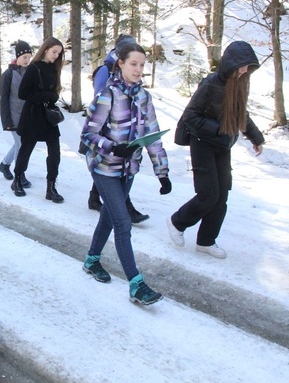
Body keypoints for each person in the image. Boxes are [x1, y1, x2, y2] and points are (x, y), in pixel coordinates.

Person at [80, 43, 170, 305]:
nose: (138, 70)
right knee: (123, 222)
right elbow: (88, 134)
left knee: (109, 217)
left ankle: (91, 260)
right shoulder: (107, 95)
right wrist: (112, 146)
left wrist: (161, 171)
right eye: (133, 64)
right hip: (104, 167)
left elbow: (152, 135)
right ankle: (136, 284)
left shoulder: (144, 97)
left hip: (129, 169)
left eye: (142, 65)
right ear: (120, 63)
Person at [168, 41, 264, 259]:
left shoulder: (238, 85)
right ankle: (177, 222)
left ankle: (206, 241)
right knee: (208, 195)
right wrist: (220, 130)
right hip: (202, 143)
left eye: (247, 67)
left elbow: (242, 115)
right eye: (241, 66)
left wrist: (256, 137)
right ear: (230, 63)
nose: (243, 71)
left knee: (221, 198)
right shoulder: (210, 83)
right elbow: (190, 115)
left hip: (222, 146)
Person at [87, 35, 149, 224]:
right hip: (105, 130)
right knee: (108, 168)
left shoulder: (130, 75)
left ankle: (95, 198)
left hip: (122, 132)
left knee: (111, 169)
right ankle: (124, 210)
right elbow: (98, 97)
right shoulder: (105, 71)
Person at [11, 37, 65, 203]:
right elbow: (23, 93)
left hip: (48, 117)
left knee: (55, 153)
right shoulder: (34, 68)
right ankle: (17, 179)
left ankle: (51, 187)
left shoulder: (55, 68)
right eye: (54, 51)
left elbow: (54, 91)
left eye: (59, 53)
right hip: (33, 115)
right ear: (46, 49)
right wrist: (47, 95)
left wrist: (54, 96)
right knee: (26, 149)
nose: (56, 55)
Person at [0, 41, 32, 187]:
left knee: (20, 144)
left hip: (27, 117)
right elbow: (3, 99)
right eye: (24, 57)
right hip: (13, 117)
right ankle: (20, 174)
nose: (27, 60)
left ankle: (4, 164)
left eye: (29, 57)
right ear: (17, 57)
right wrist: (7, 121)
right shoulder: (9, 74)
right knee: (22, 145)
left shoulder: (30, 72)